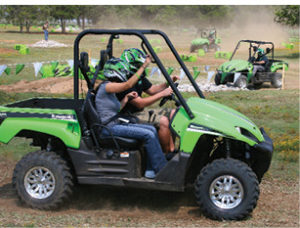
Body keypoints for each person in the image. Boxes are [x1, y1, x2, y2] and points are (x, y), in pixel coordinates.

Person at [95, 57, 167, 179]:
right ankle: (162, 171)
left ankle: (151, 170)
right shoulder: (106, 86)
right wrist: (143, 66)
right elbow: (128, 84)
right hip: (109, 128)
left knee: (152, 129)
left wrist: (126, 98)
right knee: (148, 135)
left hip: (115, 124)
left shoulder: (110, 91)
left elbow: (117, 109)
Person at [118, 48, 179, 154]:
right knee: (163, 121)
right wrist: (163, 94)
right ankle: (166, 154)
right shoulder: (125, 81)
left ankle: (172, 149)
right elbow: (140, 103)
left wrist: (168, 83)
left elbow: (152, 90)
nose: (140, 67)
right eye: (138, 64)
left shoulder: (138, 77)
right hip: (128, 116)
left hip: (139, 113)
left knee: (174, 114)